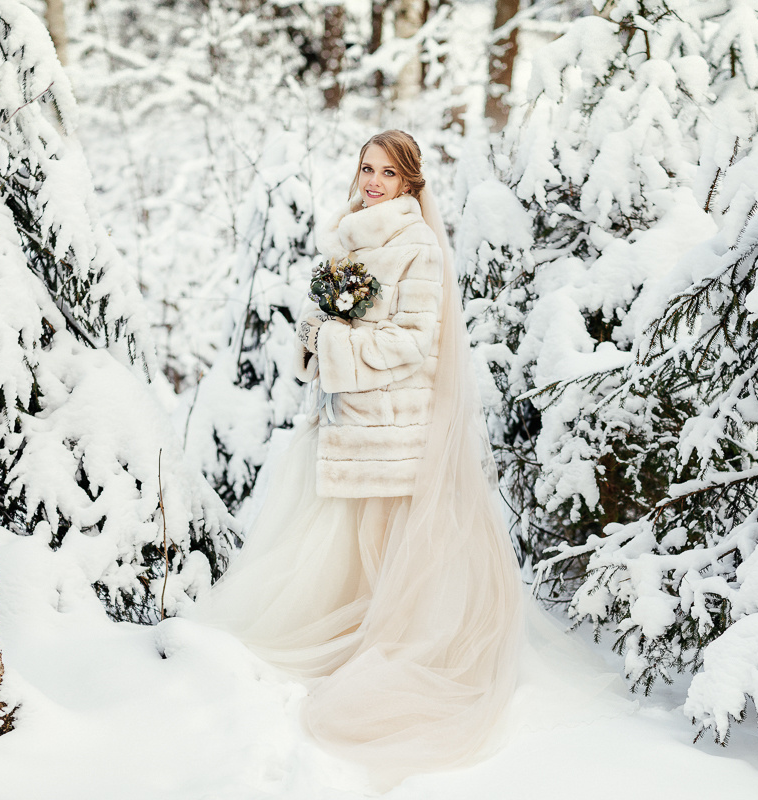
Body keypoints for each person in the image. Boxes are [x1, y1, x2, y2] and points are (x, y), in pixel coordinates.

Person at [199, 130, 523, 785]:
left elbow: (413, 341)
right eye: (367, 169)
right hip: (346, 417)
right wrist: (318, 338)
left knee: (386, 541)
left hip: (393, 421)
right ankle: (340, 640)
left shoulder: (418, 247)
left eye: (388, 173)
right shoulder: (346, 234)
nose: (373, 181)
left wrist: (340, 342)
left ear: (410, 183)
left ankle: (381, 650)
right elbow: (331, 323)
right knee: (338, 539)